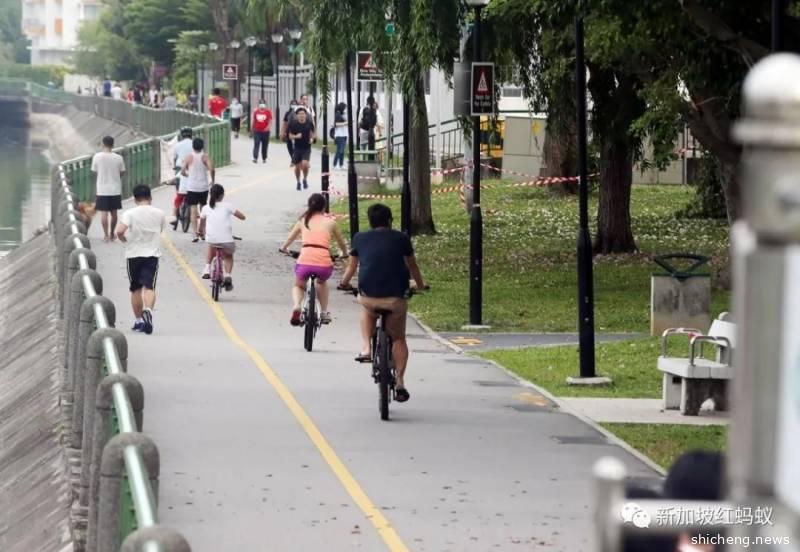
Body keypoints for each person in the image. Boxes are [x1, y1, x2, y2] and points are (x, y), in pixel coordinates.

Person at [338, 203, 426, 402]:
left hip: (369, 295)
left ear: (370, 221)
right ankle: (400, 381)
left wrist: (344, 283)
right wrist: (420, 285)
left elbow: (352, 267)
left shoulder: (360, 238)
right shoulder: (401, 238)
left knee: (366, 308)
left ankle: (366, 348)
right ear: (390, 220)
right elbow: (412, 266)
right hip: (395, 299)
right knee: (399, 338)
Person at [280, 193, 348, 326]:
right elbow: (341, 243)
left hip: (305, 260)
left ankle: (297, 305)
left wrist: (284, 248)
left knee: (299, 285)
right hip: (323, 263)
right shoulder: (331, 223)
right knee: (321, 283)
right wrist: (344, 253)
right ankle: (324, 312)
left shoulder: (303, 221)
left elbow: (289, 239)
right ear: (324, 207)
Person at [115, 185, 165, 335]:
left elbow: (119, 231)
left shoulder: (129, 213)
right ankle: (148, 310)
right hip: (152, 254)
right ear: (150, 197)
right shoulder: (159, 213)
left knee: (135, 288)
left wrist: (124, 239)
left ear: (135, 199)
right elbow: (160, 230)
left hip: (134, 254)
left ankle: (138, 321)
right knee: (149, 287)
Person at [199, 184, 245, 290]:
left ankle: (207, 268)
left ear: (210, 194)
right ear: (222, 195)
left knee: (210, 245)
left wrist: (200, 232)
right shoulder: (228, 206)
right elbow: (242, 217)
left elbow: (201, 224)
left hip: (212, 239)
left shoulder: (206, 208)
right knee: (228, 256)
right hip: (227, 240)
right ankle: (228, 275)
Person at [91, 136, 126, 242]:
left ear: (103, 144)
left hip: (102, 189)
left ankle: (105, 235)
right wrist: (115, 177)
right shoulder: (119, 158)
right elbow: (122, 172)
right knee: (114, 213)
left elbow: (94, 171)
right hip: (115, 189)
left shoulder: (97, 157)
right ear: (113, 144)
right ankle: (112, 234)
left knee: (104, 213)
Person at [181, 137, 215, 242]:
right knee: (203, 209)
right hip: (203, 186)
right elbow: (212, 169)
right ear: (202, 146)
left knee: (193, 210)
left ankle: (195, 233)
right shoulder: (205, 157)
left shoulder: (189, 157)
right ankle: (203, 232)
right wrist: (212, 180)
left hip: (192, 187)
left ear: (193, 146)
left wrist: (187, 175)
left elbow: (182, 170)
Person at [170, 127, 194, 230]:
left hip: (179, 168)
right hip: (192, 170)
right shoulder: (194, 144)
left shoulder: (178, 145)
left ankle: (174, 216)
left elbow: (174, 157)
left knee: (178, 194)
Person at [287, 106, 315, 191]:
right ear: (297, 115)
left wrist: (312, 139)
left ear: (306, 115)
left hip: (306, 147)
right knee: (297, 167)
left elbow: (313, 133)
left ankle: (305, 179)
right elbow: (290, 136)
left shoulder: (309, 123)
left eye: (303, 114)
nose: (301, 115)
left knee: (305, 164)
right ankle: (298, 182)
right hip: (297, 148)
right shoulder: (293, 124)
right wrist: (296, 136)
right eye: (299, 114)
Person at [333, 102, 348, 169]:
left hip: (344, 134)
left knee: (342, 151)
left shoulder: (343, 114)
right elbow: (336, 124)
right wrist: (346, 123)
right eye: (345, 108)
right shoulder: (338, 114)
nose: (345, 109)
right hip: (339, 135)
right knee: (339, 150)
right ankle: (335, 164)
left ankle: (341, 164)